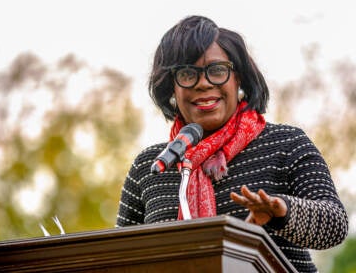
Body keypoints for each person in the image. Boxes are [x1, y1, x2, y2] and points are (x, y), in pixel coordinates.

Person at [116, 15, 348, 272]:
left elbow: (335, 226)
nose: (203, 83)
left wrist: (282, 210)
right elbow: (118, 256)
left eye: (216, 70)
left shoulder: (286, 144)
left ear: (238, 78)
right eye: (187, 73)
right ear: (171, 87)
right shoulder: (153, 165)